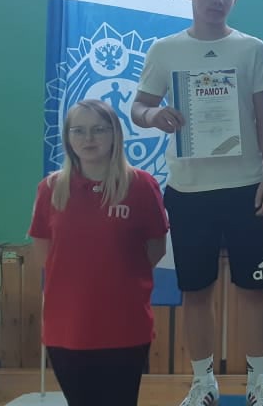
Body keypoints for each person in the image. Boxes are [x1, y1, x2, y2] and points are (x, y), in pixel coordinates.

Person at [131, 0, 263, 406]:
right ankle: (203, 382)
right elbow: (138, 107)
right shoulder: (166, 50)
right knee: (196, 292)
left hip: (246, 188)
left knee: (254, 291)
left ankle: (258, 382)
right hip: (189, 191)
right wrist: (154, 115)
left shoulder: (252, 49)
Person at [28, 99, 169, 406]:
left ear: (114, 133)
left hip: (125, 326)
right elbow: (44, 256)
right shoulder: (50, 189)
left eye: (98, 130)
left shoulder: (141, 186)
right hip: (67, 329)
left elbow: (155, 248)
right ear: (67, 137)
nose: (88, 138)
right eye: (78, 130)